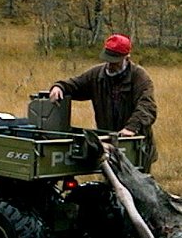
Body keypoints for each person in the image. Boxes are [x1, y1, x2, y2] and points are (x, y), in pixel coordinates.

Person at [49, 33, 158, 171]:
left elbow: (147, 106)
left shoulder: (139, 77)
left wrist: (131, 127)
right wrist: (60, 87)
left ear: (127, 58)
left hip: (136, 146)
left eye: (115, 61)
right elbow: (76, 85)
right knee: (111, 185)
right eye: (108, 60)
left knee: (137, 188)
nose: (111, 65)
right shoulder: (97, 74)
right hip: (109, 143)